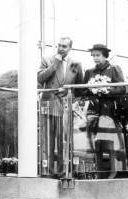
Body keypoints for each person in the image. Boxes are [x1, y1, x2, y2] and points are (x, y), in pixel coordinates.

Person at [38, 37, 83, 177]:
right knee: (48, 141)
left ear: (70, 48)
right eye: (59, 45)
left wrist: (69, 92)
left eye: (64, 46)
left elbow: (80, 88)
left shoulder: (76, 64)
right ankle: (48, 171)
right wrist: (55, 63)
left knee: (64, 140)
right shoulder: (47, 60)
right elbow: (40, 78)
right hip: (49, 106)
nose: (61, 48)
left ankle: (65, 171)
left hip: (65, 107)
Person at [83, 44, 127, 176]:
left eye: (98, 55)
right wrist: (93, 89)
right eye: (93, 55)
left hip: (108, 110)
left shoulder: (114, 69)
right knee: (94, 142)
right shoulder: (90, 72)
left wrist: (106, 90)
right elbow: (83, 90)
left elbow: (122, 89)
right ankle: (98, 171)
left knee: (109, 143)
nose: (95, 58)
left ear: (105, 56)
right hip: (93, 109)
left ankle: (112, 171)